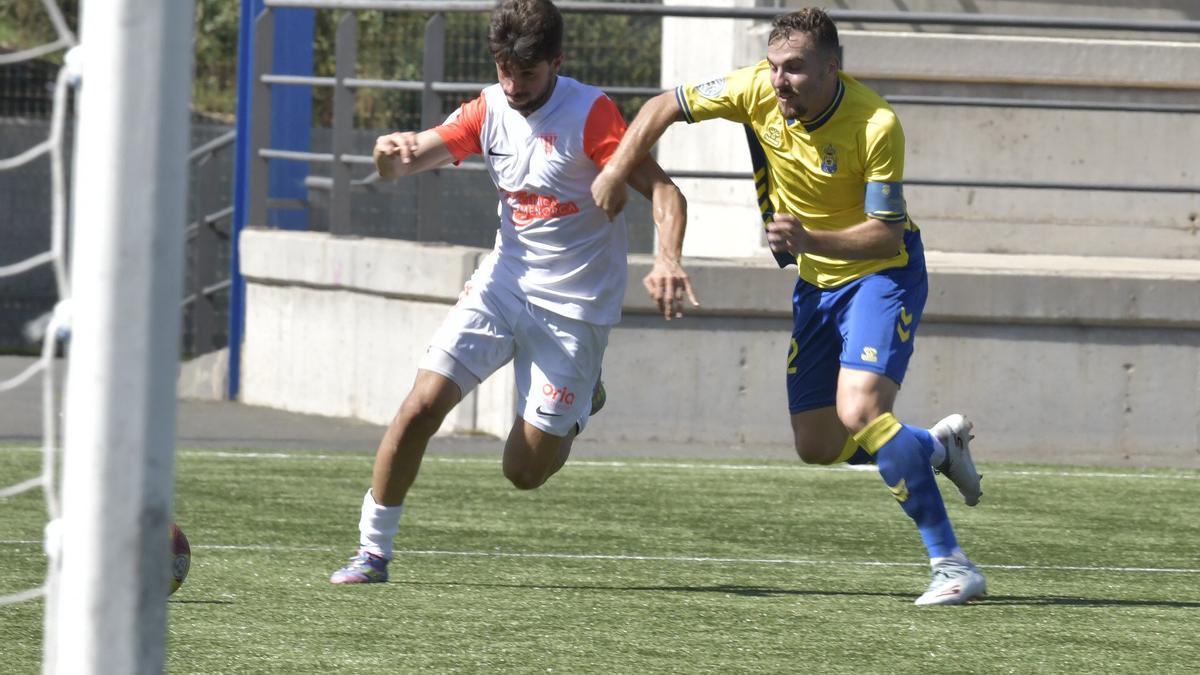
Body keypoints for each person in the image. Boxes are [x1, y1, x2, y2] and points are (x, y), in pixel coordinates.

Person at [590, 8, 986, 605]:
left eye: (795, 68)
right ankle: (933, 447)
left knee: (860, 409)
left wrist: (807, 239)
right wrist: (618, 170)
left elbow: (885, 235)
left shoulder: (876, 123)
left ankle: (953, 565)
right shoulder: (756, 88)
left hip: (882, 275)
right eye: (774, 66)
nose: (779, 80)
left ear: (832, 68)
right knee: (817, 444)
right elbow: (662, 105)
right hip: (816, 283)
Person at [330, 0, 696, 584]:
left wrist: (668, 259)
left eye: (527, 72)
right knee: (420, 406)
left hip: (573, 308)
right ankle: (372, 551)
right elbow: (406, 161)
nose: (513, 84)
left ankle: (580, 403)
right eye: (504, 69)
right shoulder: (488, 108)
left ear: (557, 63)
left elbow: (666, 192)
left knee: (523, 472)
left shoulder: (591, 114)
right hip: (502, 286)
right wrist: (386, 155)